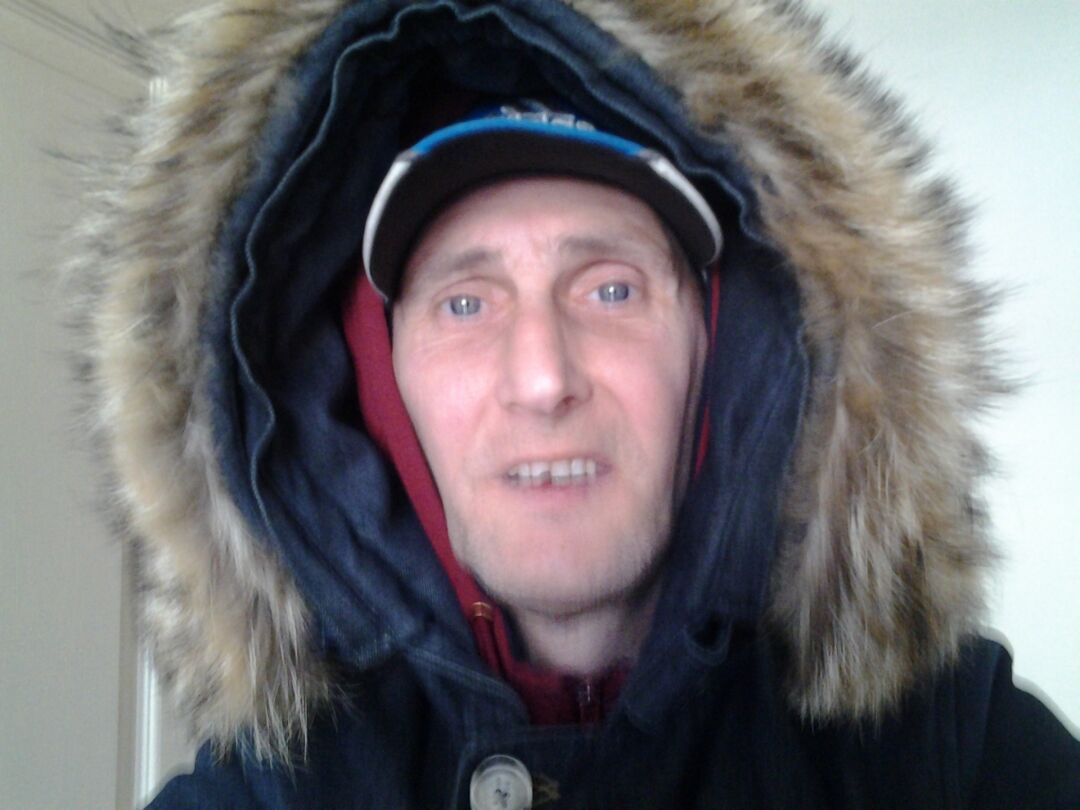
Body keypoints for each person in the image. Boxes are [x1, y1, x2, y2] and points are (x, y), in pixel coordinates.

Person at [67, 0, 1078, 807]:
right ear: (383, 384)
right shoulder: (271, 789)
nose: (543, 377)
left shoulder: (950, 752)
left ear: (720, 351)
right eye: (466, 302)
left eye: (611, 290)